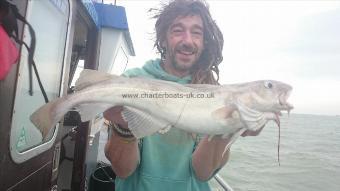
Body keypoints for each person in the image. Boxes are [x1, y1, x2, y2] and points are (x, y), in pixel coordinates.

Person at [104, 0, 263, 190]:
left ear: (204, 42)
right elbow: (123, 170)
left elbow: (202, 173)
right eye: (178, 30)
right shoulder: (131, 82)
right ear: (163, 39)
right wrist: (123, 129)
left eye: (196, 32)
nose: (188, 41)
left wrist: (228, 127)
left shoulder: (214, 95)